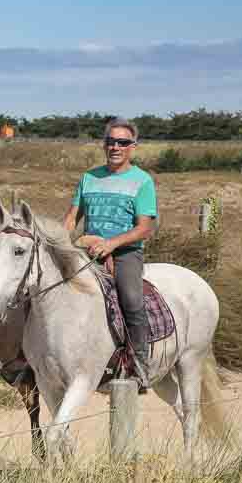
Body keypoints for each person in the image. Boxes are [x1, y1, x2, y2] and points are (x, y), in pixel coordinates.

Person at [63, 117, 157, 391]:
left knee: (130, 299)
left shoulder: (142, 181)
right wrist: (59, 243)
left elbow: (144, 228)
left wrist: (113, 244)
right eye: (110, 141)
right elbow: (71, 218)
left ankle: (140, 367)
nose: (115, 147)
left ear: (133, 146)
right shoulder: (89, 177)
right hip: (87, 249)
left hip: (125, 253)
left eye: (122, 142)